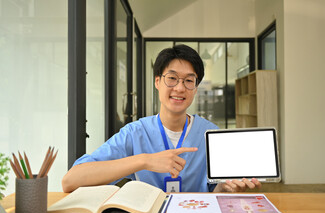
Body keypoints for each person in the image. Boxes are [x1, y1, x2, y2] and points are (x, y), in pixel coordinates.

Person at [62, 44, 261, 193]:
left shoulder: (210, 134)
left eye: (189, 80)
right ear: (157, 82)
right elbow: (70, 181)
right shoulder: (135, 133)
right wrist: (144, 161)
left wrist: (225, 189)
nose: (180, 88)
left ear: (195, 88)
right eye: (172, 78)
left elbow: (213, 192)